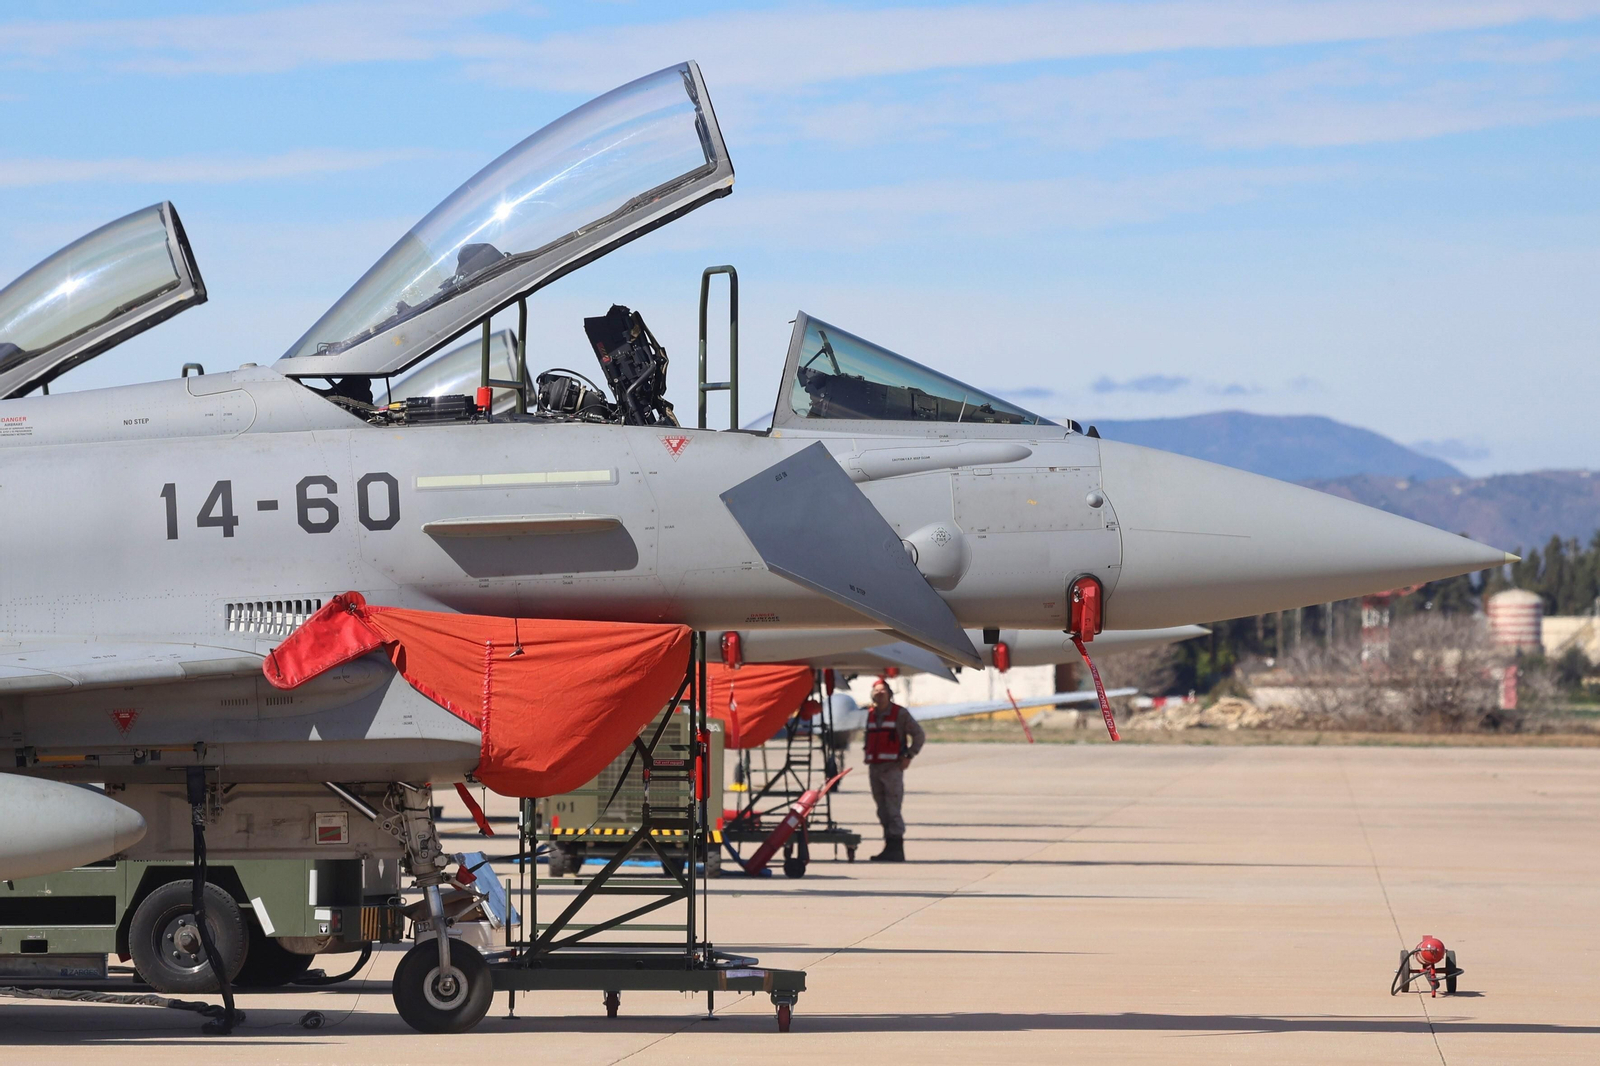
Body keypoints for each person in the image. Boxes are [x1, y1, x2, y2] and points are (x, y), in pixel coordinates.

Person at [862, 678, 925, 862]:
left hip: (892, 769)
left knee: (893, 809)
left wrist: (909, 755)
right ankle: (889, 846)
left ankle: (896, 848)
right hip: (875, 768)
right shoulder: (871, 713)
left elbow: (919, 735)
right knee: (882, 809)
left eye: (882, 691)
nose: (879, 695)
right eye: (876, 691)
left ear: (889, 694)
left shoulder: (900, 714)